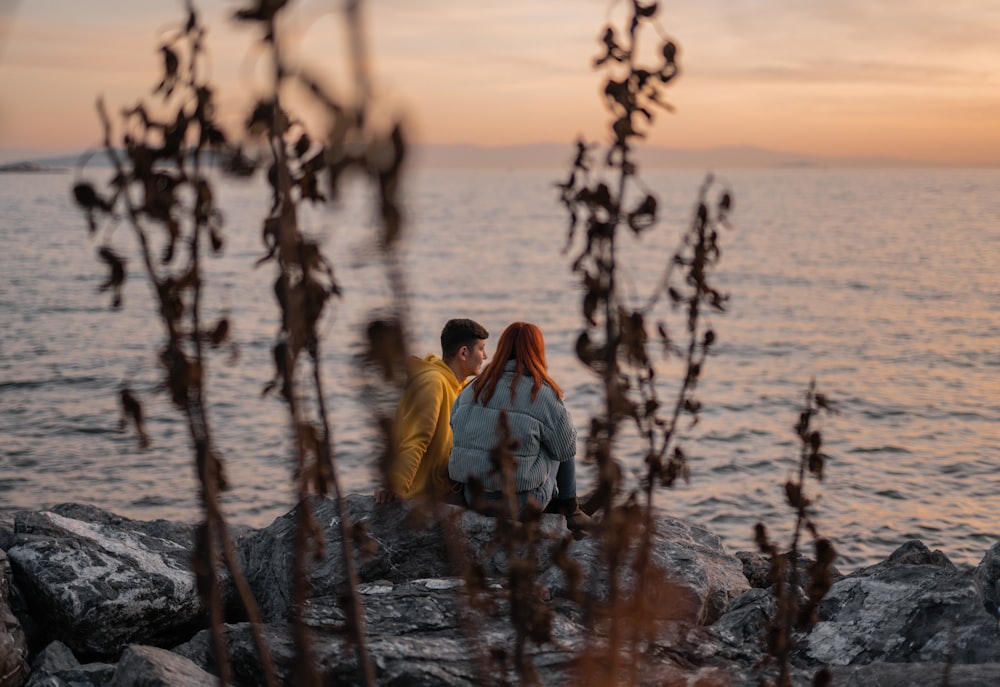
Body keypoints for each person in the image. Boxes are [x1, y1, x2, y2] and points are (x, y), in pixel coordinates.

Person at [448, 322, 590, 531]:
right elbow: (566, 449)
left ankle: (564, 504)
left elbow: (454, 425)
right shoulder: (541, 393)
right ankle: (570, 507)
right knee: (560, 438)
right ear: (538, 351)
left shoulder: (473, 388)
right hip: (520, 506)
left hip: (474, 498)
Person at [375, 318, 490, 504]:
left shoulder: (460, 386)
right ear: (464, 352)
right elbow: (416, 439)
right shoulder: (433, 383)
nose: (485, 356)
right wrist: (396, 486)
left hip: (449, 486)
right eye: (481, 348)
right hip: (429, 496)